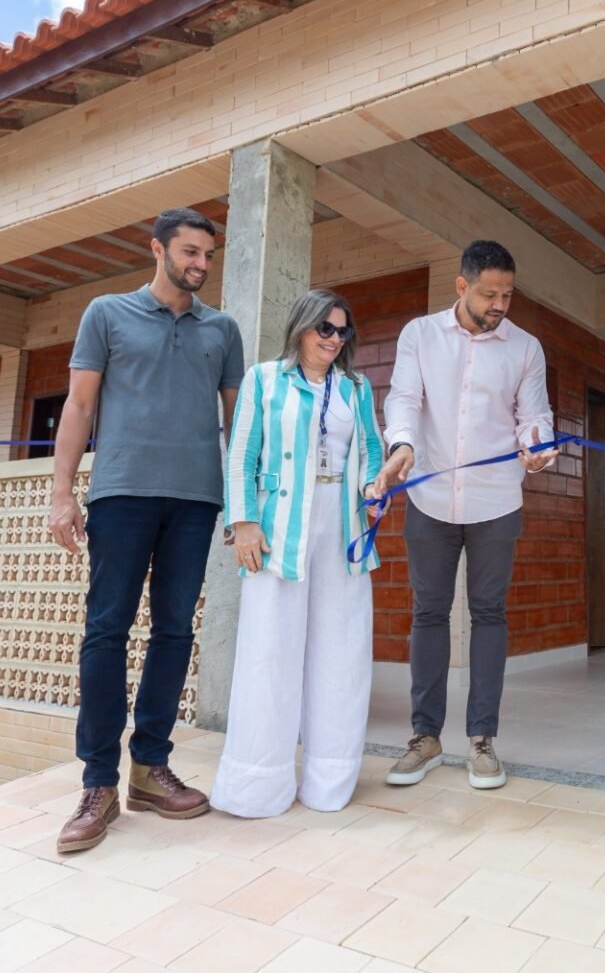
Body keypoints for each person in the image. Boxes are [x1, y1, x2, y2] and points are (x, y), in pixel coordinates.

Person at [48, 207, 244, 853]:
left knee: (176, 630)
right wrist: (61, 494)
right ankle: (98, 782)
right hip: (122, 493)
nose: (200, 264)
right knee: (105, 630)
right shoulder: (106, 313)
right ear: (156, 248)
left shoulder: (222, 329)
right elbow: (79, 404)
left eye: (207, 256)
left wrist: (242, 503)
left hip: (195, 500)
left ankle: (151, 768)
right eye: (190, 252)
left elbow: (237, 426)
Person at [374, 240, 555, 790]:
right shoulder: (419, 335)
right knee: (428, 612)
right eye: (489, 294)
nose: (500, 304)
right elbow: (403, 398)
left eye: (507, 294)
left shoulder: (525, 348)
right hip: (430, 496)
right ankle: (424, 738)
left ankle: (482, 740)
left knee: (489, 613)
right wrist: (401, 445)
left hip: (496, 499)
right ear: (462, 286)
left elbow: (535, 414)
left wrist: (538, 444)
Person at [211, 290, 384, 816]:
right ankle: (256, 785)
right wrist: (243, 523)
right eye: (324, 329)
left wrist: (376, 489)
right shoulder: (265, 379)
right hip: (279, 525)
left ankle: (330, 779)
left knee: (342, 651)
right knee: (270, 650)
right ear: (301, 327)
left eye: (342, 331)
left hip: (342, 523)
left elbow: (372, 449)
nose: (334, 339)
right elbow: (242, 452)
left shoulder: (356, 386)